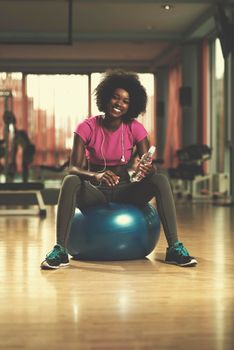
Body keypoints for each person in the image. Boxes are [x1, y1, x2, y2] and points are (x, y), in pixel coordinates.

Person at [41, 70, 197, 270]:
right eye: (115, 97)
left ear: (131, 106)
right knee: (70, 181)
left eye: (126, 101)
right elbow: (73, 168)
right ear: (106, 98)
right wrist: (95, 175)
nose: (119, 103)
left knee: (160, 180)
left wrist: (147, 168)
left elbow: (151, 168)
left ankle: (174, 248)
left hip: (125, 189)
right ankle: (60, 250)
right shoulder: (87, 127)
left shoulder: (135, 128)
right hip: (94, 190)